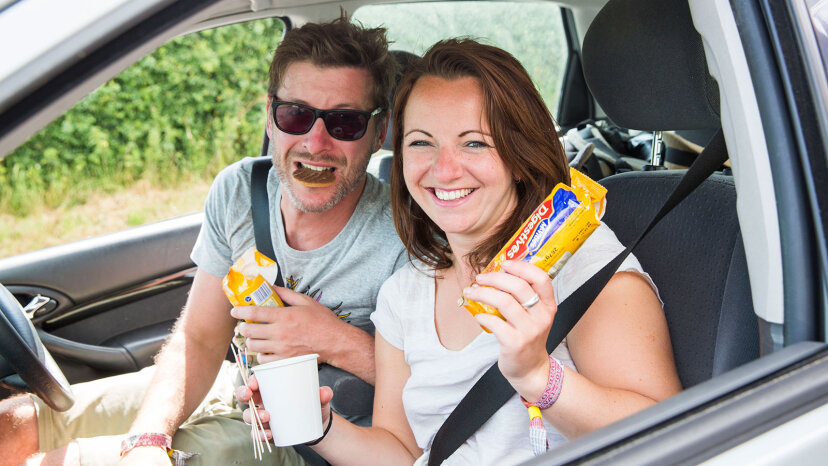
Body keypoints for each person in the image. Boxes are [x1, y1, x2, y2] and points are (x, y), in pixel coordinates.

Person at [238, 38, 683, 465]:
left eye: (474, 142)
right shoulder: (405, 293)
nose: (444, 169)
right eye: (420, 142)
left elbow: (671, 439)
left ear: (518, 151)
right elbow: (404, 452)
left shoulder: (588, 269)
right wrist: (321, 428)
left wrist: (538, 377)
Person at [0, 15, 405, 466]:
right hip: (234, 386)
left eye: (345, 122)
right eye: (296, 115)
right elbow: (201, 339)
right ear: (270, 116)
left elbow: (442, 382)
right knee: (11, 424)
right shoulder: (239, 191)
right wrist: (149, 439)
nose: (315, 141)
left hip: (309, 439)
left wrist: (336, 341)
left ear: (380, 130)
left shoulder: (405, 231)